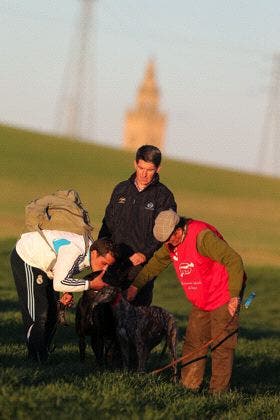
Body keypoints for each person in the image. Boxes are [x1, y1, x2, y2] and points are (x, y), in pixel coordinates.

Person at [127, 209, 246, 393]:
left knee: (222, 345)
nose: (167, 244)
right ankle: (188, 389)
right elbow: (156, 264)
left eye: (168, 239)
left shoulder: (202, 237)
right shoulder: (171, 243)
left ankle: (218, 393)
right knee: (193, 343)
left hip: (224, 295)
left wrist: (235, 295)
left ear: (177, 229)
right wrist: (135, 286)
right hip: (202, 299)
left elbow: (234, 260)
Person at [10, 231, 117, 363]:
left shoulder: (90, 250)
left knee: (53, 311)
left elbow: (66, 269)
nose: (105, 269)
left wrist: (68, 288)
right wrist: (90, 284)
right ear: (94, 253)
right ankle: (36, 359)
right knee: (39, 314)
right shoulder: (74, 251)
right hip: (28, 257)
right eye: (104, 263)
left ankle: (44, 353)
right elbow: (59, 283)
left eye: (108, 266)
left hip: (48, 266)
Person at [98, 144, 177, 306]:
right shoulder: (121, 189)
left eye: (150, 170)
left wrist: (145, 253)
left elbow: (164, 233)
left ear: (158, 169)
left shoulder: (164, 197)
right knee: (105, 311)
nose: (144, 174)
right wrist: (101, 252)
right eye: (141, 168)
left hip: (140, 266)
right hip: (114, 260)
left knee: (137, 315)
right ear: (135, 164)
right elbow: (107, 223)